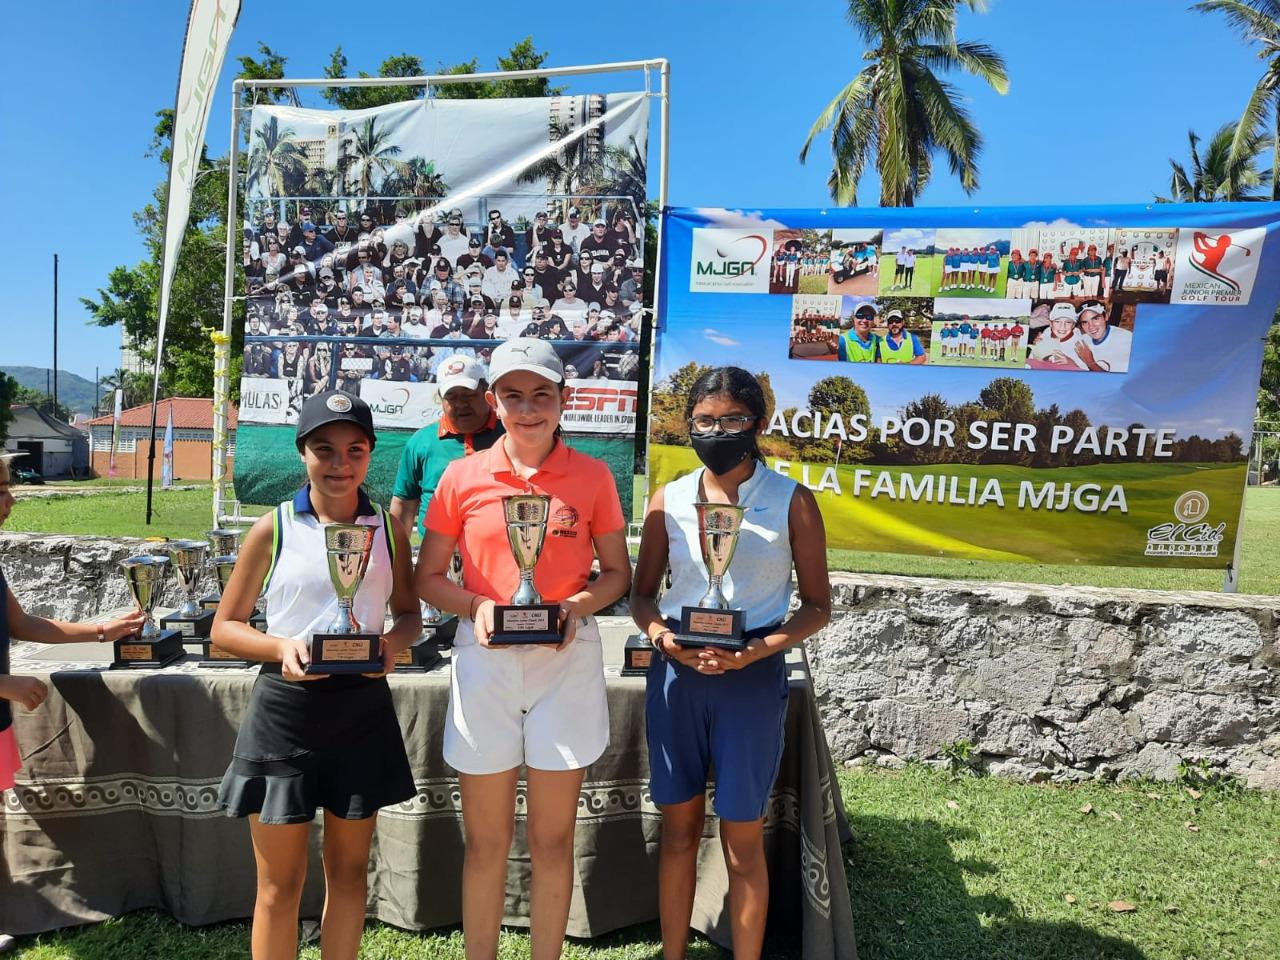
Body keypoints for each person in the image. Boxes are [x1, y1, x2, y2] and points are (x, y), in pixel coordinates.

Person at [414, 337, 630, 960]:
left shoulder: (592, 477)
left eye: (541, 394)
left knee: (553, 840)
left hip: (566, 660)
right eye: (513, 395)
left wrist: (575, 607)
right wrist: (479, 606)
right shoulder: (461, 475)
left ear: (565, 400)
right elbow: (430, 578)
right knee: (486, 842)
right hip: (484, 662)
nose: (527, 408)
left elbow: (615, 572)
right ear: (493, 401)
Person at [629, 366, 830, 960]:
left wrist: (760, 650)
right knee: (680, 832)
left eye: (733, 420)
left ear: (759, 425)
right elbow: (642, 596)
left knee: (742, 841)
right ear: (689, 426)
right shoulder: (669, 498)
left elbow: (818, 605)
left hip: (752, 681)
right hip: (677, 681)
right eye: (705, 421)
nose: (718, 431)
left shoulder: (793, 502)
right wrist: (664, 638)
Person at [212, 391, 421, 960]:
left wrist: (389, 647)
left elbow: (410, 616)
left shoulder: (388, 531)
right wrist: (282, 647)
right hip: (285, 713)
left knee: (350, 878)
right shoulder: (271, 526)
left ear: (371, 454)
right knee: (279, 886)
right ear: (302, 453)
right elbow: (224, 629)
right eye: (324, 449)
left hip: (362, 710)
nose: (339, 463)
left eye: (354, 450)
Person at [390, 358, 504, 536]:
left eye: (468, 394)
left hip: (497, 556)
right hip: (436, 559)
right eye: (451, 397)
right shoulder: (421, 441)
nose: (460, 404)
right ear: (441, 399)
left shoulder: (509, 434)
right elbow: (404, 505)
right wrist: (396, 558)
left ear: (486, 391)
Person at [1074, 300, 1132, 373]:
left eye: (1095, 319)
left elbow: (1115, 380)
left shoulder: (1125, 340)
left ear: (1106, 317)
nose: (1091, 326)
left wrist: (1090, 362)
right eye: (1085, 322)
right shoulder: (1082, 341)